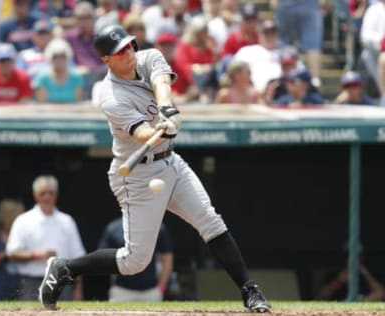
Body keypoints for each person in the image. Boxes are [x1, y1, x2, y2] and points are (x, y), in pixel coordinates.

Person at [38, 24, 271, 313]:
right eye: (119, 51)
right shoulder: (110, 96)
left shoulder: (148, 57)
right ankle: (65, 269)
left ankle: (250, 291)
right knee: (133, 262)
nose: (128, 53)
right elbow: (142, 135)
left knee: (211, 222)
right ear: (106, 60)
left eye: (128, 45)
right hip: (137, 174)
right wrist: (160, 131)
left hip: (171, 162)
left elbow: (162, 84)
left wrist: (167, 110)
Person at [7, 175, 86, 301]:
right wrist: (37, 255)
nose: (47, 197)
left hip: (61, 283)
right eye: (43, 193)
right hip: (31, 283)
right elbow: (12, 253)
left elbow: (78, 257)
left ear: (56, 195)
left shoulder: (67, 221)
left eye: (51, 193)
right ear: (35, 195)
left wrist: (78, 289)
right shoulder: (23, 221)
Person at [98, 217, 173, 301]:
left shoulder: (158, 228)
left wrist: (161, 289)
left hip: (150, 290)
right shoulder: (113, 228)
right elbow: (103, 257)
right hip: (122, 290)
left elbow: (166, 260)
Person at [271, 0, 324, 88]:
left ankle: (284, 81)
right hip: (309, 4)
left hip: (285, 4)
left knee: (285, 42)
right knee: (312, 45)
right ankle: (315, 81)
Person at [33, 38, 84, 103]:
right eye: (55, 57)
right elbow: (42, 103)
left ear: (67, 57)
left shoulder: (76, 77)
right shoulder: (42, 77)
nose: (59, 60)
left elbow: (78, 102)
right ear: (50, 58)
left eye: (62, 56)